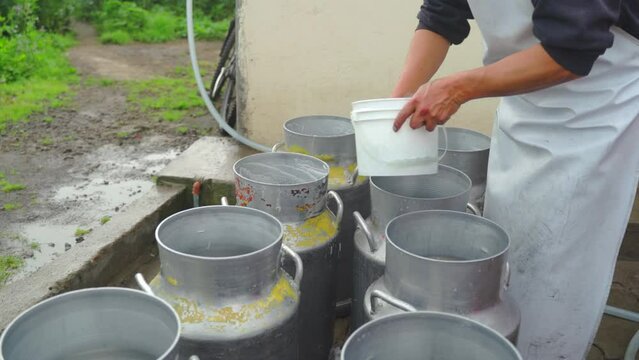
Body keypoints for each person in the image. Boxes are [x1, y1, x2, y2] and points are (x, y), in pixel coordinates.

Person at [391, 0, 639, 358]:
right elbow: (442, 14)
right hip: (523, 101)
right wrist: (396, 102)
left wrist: (458, 88)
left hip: (595, 108)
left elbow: (573, 49)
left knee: (558, 276)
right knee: (504, 261)